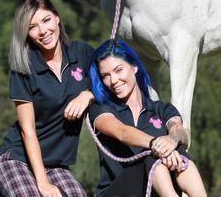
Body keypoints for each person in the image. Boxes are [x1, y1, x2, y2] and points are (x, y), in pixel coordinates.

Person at [0, 0, 94, 197]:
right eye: (32, 27)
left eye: (46, 20)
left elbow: (112, 79)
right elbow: (27, 129)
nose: (42, 31)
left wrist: (88, 95)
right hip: (18, 158)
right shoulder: (24, 67)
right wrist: (43, 183)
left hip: (56, 163)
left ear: (57, 17)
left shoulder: (80, 53)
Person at [88, 39, 207, 197]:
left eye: (118, 70)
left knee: (175, 147)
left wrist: (172, 139)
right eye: (106, 76)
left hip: (152, 191)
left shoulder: (161, 109)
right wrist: (156, 144)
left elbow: (180, 131)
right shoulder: (100, 108)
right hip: (116, 192)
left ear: (134, 67)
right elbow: (122, 132)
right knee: (153, 153)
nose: (113, 80)